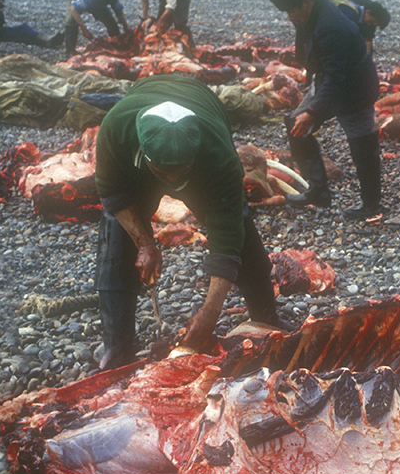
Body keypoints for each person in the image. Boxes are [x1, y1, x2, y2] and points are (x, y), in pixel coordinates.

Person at [93, 74, 281, 369]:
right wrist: (144, 244)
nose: (173, 181)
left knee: (241, 228)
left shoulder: (218, 154)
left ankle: (266, 317)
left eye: (181, 171)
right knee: (115, 239)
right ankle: (117, 344)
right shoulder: (115, 130)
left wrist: (210, 312)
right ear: (144, 153)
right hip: (139, 158)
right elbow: (112, 193)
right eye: (164, 172)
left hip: (201, 107)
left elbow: (226, 232)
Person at [271, 0, 382, 220]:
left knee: (362, 143)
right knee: (296, 126)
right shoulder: (310, 11)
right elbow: (319, 63)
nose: (290, 17)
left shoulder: (332, 26)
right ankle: (318, 190)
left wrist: (313, 112)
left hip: (355, 88)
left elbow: (337, 77)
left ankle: (372, 204)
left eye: (292, 11)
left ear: (306, 2)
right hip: (328, 80)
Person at [64, 0, 130, 58]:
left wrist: (126, 27)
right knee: (71, 20)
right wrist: (84, 29)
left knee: (110, 21)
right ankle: (70, 51)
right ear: (102, 0)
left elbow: (119, 12)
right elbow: (74, 9)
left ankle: (116, 44)